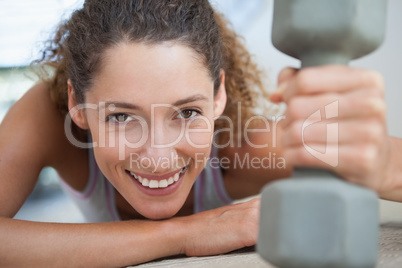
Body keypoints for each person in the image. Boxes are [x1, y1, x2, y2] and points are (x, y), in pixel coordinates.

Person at [0, 0, 401, 266]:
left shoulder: (239, 149)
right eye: (122, 117)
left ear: (218, 95)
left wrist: (373, 162)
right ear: (77, 103)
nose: (158, 157)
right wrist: (185, 234)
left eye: (188, 112)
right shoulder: (46, 116)